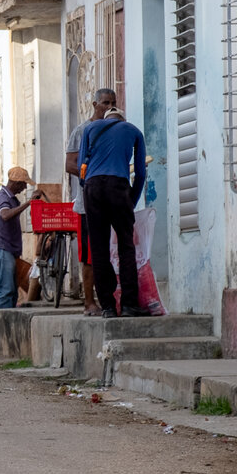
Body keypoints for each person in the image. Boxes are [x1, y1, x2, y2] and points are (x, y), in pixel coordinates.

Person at [79, 107, 148, 317]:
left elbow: (82, 167)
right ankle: (128, 304)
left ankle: (108, 307)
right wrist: (132, 201)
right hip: (118, 187)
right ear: (122, 120)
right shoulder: (134, 131)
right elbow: (140, 172)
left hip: (92, 187)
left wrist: (88, 186)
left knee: (98, 250)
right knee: (126, 246)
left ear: (106, 119)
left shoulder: (90, 128)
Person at [66, 88, 117, 316]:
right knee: (89, 255)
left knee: (111, 251)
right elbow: (69, 164)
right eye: (105, 102)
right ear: (95, 104)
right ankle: (89, 302)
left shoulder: (117, 129)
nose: (109, 107)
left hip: (112, 201)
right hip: (87, 204)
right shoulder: (82, 130)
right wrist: (93, 175)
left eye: (113, 103)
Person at [0, 167, 42, 346]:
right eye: (23, 184)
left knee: (11, 292)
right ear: (16, 183)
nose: (24, 188)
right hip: (1, 249)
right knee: (5, 290)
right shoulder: (4, 198)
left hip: (5, 249)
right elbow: (5, 215)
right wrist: (29, 203)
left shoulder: (10, 198)